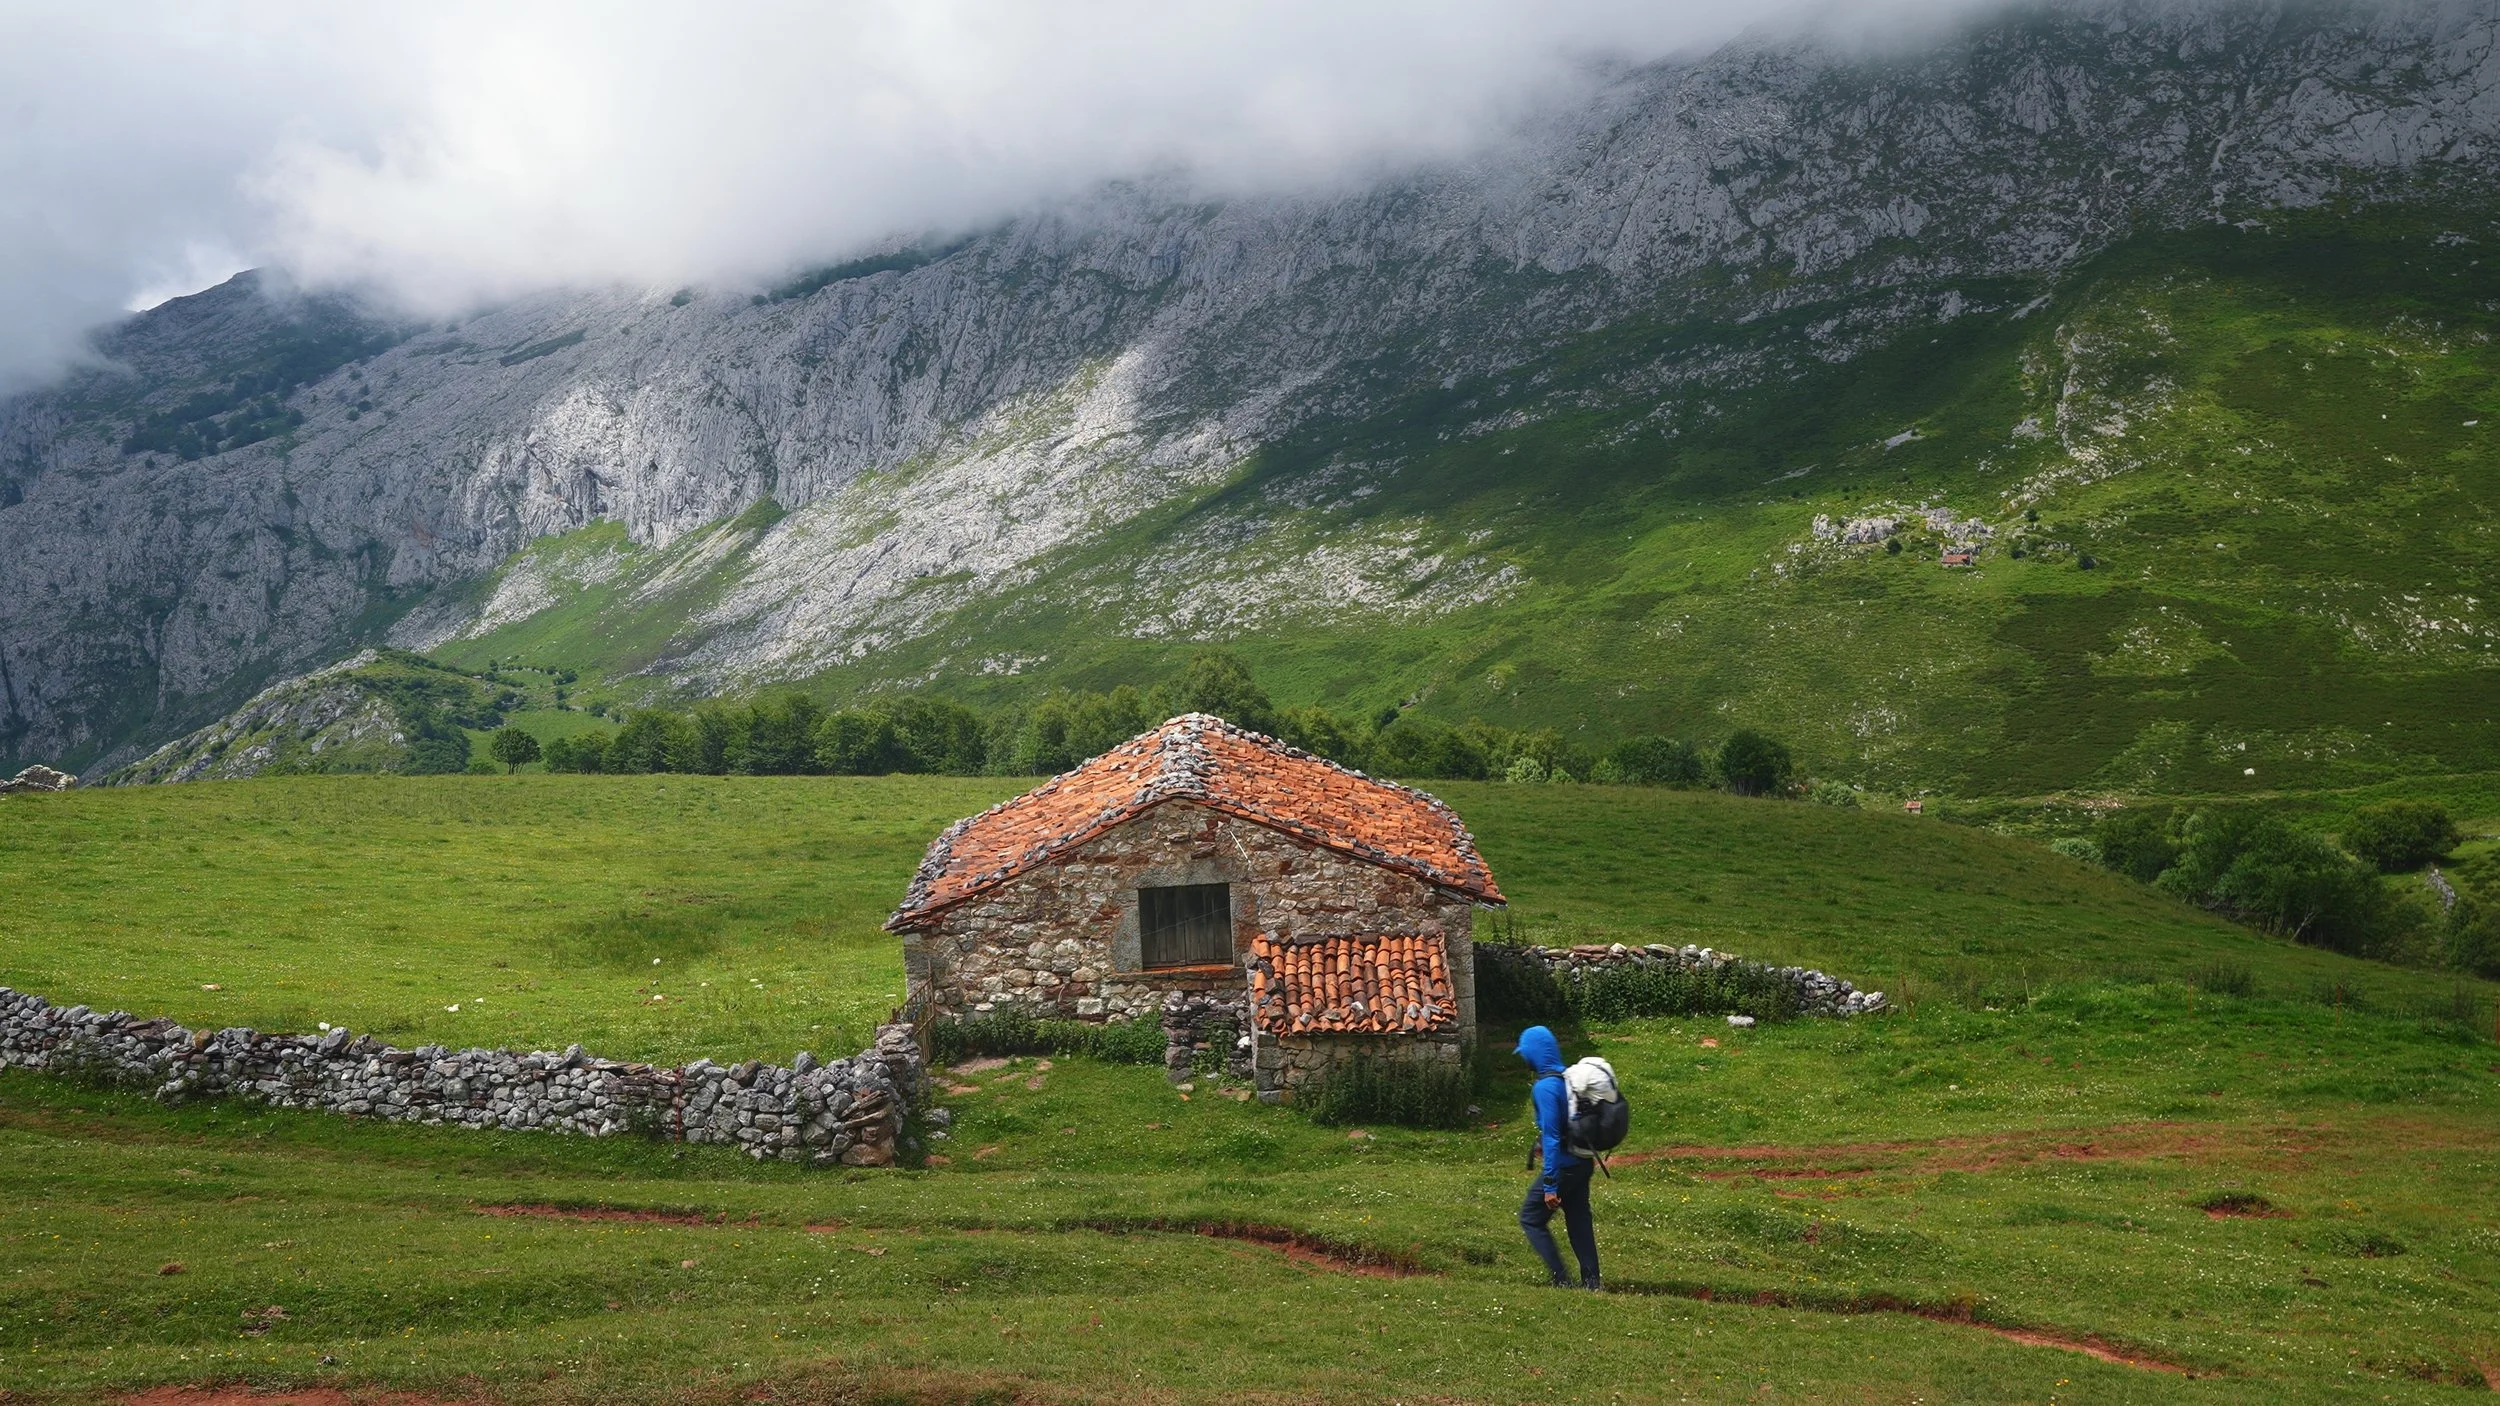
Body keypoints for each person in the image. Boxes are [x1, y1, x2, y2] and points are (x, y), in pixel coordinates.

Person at [1515, 1023, 1599, 1289]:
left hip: (1563, 1166)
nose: (1524, 1059)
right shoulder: (1569, 1080)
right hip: (1583, 1161)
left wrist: (1550, 1185)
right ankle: (1592, 1283)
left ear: (1534, 1053)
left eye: (1525, 1053)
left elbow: (1552, 1137)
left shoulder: (1545, 1087)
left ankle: (1561, 1279)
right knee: (1578, 1222)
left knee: (1530, 1217)